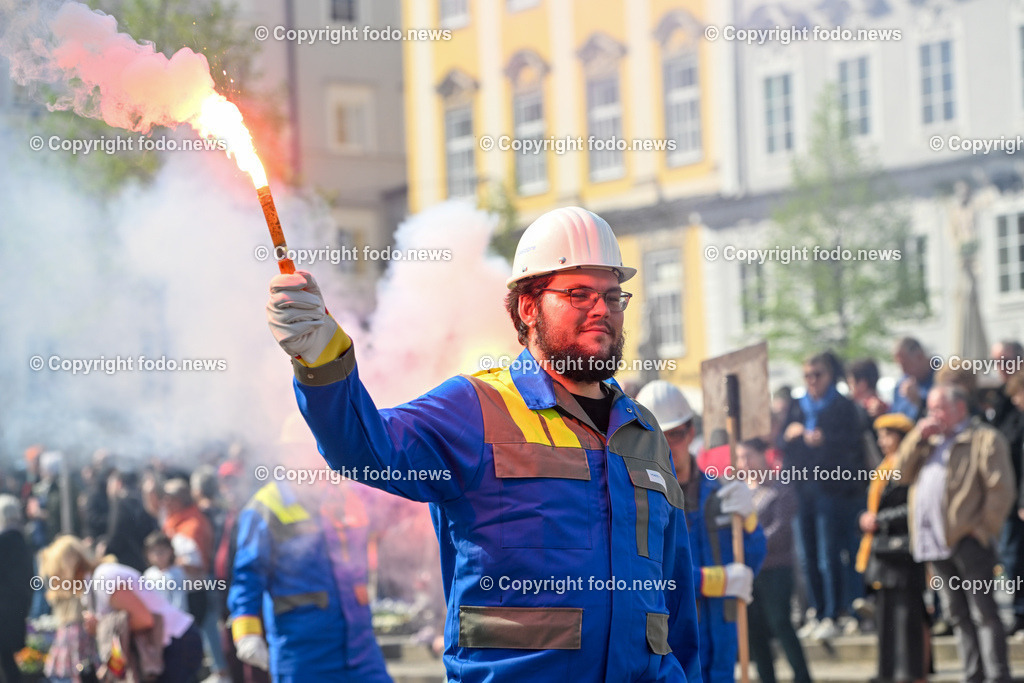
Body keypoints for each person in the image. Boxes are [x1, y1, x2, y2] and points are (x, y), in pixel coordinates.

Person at [264, 206, 702, 681]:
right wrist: (322, 356)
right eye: (579, 293)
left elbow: (675, 602)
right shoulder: (475, 407)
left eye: (613, 296)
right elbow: (364, 448)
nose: (602, 309)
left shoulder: (646, 434)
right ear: (528, 308)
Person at [228, 414, 392, 682]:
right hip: (303, 653)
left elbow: (392, 510)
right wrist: (247, 633)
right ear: (288, 455)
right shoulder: (265, 507)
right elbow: (247, 576)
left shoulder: (345, 495)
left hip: (361, 648)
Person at [636, 380, 765, 683]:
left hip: (722, 635)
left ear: (691, 432)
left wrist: (748, 520)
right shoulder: (640, 499)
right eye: (659, 437)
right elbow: (648, 576)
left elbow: (753, 558)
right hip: (668, 643)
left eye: (676, 435)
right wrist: (714, 581)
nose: (669, 446)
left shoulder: (721, 493)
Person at [896, 384, 1014, 683]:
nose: (932, 415)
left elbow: (1001, 489)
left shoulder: (984, 438)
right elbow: (900, 474)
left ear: (959, 408)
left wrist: (982, 529)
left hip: (968, 541)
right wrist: (915, 438)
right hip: (935, 543)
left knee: (984, 612)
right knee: (957, 614)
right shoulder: (929, 441)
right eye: (930, 408)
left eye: (938, 408)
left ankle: (997, 676)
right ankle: (973, 675)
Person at [780, 351, 866, 640]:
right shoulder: (797, 405)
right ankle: (816, 611)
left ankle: (834, 611)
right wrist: (791, 434)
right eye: (807, 375)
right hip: (802, 489)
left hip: (832, 490)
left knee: (829, 554)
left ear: (830, 376)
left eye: (817, 375)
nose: (812, 381)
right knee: (807, 556)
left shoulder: (842, 406)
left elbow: (854, 444)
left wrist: (825, 440)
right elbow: (783, 442)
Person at [43, 535, 203, 683]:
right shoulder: (95, 583)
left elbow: (144, 619)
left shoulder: (104, 578)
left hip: (177, 643)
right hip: (170, 645)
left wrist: (100, 626)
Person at [856, 413, 927, 683]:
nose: (882, 441)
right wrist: (864, 519)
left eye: (888, 435)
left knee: (907, 615)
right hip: (882, 552)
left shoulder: (909, 467)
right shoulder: (883, 467)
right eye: (880, 436)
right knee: (885, 615)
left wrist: (880, 520)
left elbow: (913, 506)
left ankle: (908, 672)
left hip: (903, 552)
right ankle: (887, 671)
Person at [735, 439, 811, 683]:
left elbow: (780, 529)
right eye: (740, 458)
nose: (745, 463)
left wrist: (751, 545)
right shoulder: (740, 491)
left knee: (780, 622)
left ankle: (802, 677)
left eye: (749, 456)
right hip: (748, 571)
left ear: (763, 456)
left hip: (776, 567)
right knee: (754, 630)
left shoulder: (780, 488)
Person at [987, 341, 1024, 634]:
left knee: (1013, 552)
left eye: (1006, 360)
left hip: (1018, 491)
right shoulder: (1001, 397)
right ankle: (1019, 609)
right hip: (1007, 491)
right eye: (996, 361)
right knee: (1011, 555)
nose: (1001, 367)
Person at [162, 479, 213, 629]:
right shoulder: (175, 520)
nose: (165, 502)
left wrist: (170, 561)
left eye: (168, 498)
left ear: (179, 500)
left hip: (194, 592)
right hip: (180, 592)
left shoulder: (192, 525)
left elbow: (196, 565)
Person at [0, 495, 34, 683]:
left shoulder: (4, 541)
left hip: (3, 609)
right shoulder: (22, 541)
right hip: (18, 607)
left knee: (6, 663)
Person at [101, 469, 158, 573]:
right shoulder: (141, 497)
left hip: (128, 562)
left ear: (118, 483)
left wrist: (106, 549)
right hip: (148, 559)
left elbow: (116, 533)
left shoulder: (120, 503)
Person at [143, 531, 188, 612]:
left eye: (161, 551)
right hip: (156, 618)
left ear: (170, 551)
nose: (158, 555)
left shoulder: (177, 573)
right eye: (154, 552)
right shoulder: (148, 574)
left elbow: (179, 601)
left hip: (175, 619)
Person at [892, 338, 935, 421]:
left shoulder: (942, 379)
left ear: (920, 356)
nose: (903, 371)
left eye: (905, 364)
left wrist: (919, 402)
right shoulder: (901, 384)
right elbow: (894, 414)